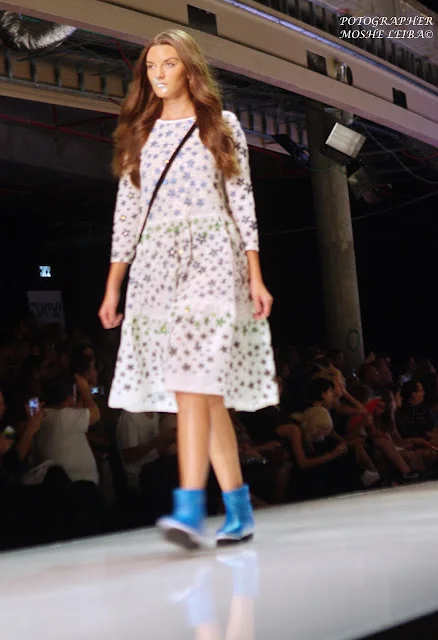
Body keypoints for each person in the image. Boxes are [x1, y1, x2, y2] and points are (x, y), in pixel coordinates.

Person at [98, 30, 278, 549]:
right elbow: (126, 216)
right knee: (203, 391)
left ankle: (190, 507)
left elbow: (241, 200)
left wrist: (255, 274)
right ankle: (238, 510)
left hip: (213, 257)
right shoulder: (139, 134)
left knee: (191, 380)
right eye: (151, 66)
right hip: (157, 266)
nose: (158, 73)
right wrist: (112, 287)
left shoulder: (221, 125)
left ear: (189, 69)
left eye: (169, 63)